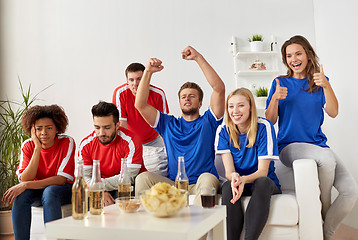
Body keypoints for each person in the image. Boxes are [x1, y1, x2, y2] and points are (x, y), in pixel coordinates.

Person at [265, 35, 358, 240]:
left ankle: (325, 234)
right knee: (326, 159)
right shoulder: (279, 82)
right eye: (289, 55)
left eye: (298, 53)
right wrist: (274, 99)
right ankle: (323, 204)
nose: (293, 59)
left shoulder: (319, 82)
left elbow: (333, 112)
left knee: (350, 191)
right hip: (289, 146)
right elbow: (270, 120)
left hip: (317, 144)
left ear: (308, 55)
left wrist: (326, 85)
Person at [134, 46, 225, 205]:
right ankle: (145, 226)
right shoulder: (167, 124)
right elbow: (140, 104)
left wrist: (198, 58)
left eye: (192, 96)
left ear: (200, 102)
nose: (187, 99)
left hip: (200, 183)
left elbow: (219, 89)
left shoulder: (208, 122)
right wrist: (148, 71)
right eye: (183, 96)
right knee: (143, 178)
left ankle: (198, 228)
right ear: (180, 102)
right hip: (175, 185)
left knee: (208, 178)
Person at [1, 105, 75, 240]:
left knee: (50, 191)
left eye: (49, 128)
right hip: (37, 191)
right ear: (32, 130)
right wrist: (37, 148)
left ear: (57, 128)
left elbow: (60, 180)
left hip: (62, 191)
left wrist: (26, 185)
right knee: (20, 196)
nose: (44, 133)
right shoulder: (28, 145)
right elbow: (26, 179)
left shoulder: (67, 142)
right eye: (39, 129)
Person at [215, 88, 281, 240]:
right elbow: (229, 171)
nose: (235, 111)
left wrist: (243, 179)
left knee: (263, 182)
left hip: (263, 184)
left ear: (251, 107)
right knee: (226, 186)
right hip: (240, 183)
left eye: (241, 105)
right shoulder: (223, 130)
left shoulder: (264, 126)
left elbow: (263, 172)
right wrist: (235, 177)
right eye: (231, 106)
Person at [78, 101, 146, 206]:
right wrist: (100, 191)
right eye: (97, 127)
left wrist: (98, 186)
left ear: (117, 125)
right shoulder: (86, 145)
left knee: (120, 197)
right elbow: (85, 176)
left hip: (128, 185)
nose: (101, 133)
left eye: (107, 127)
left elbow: (129, 177)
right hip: (101, 186)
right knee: (87, 198)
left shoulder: (131, 141)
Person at [112, 63, 169, 176]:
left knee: (163, 169)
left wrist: (168, 151)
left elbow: (166, 126)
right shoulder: (120, 93)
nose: (135, 84)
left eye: (139, 79)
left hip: (154, 139)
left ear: (146, 79)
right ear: (127, 81)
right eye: (131, 80)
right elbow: (121, 126)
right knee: (131, 172)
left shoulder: (158, 94)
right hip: (132, 141)